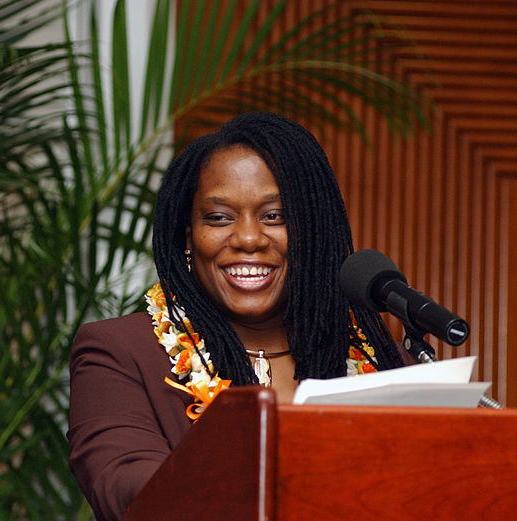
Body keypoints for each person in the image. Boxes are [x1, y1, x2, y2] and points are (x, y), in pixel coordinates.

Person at [66, 112, 407, 521]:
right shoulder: (120, 352)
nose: (248, 238)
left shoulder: (384, 361)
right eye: (219, 218)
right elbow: (131, 493)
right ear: (188, 234)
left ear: (313, 233)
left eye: (275, 216)